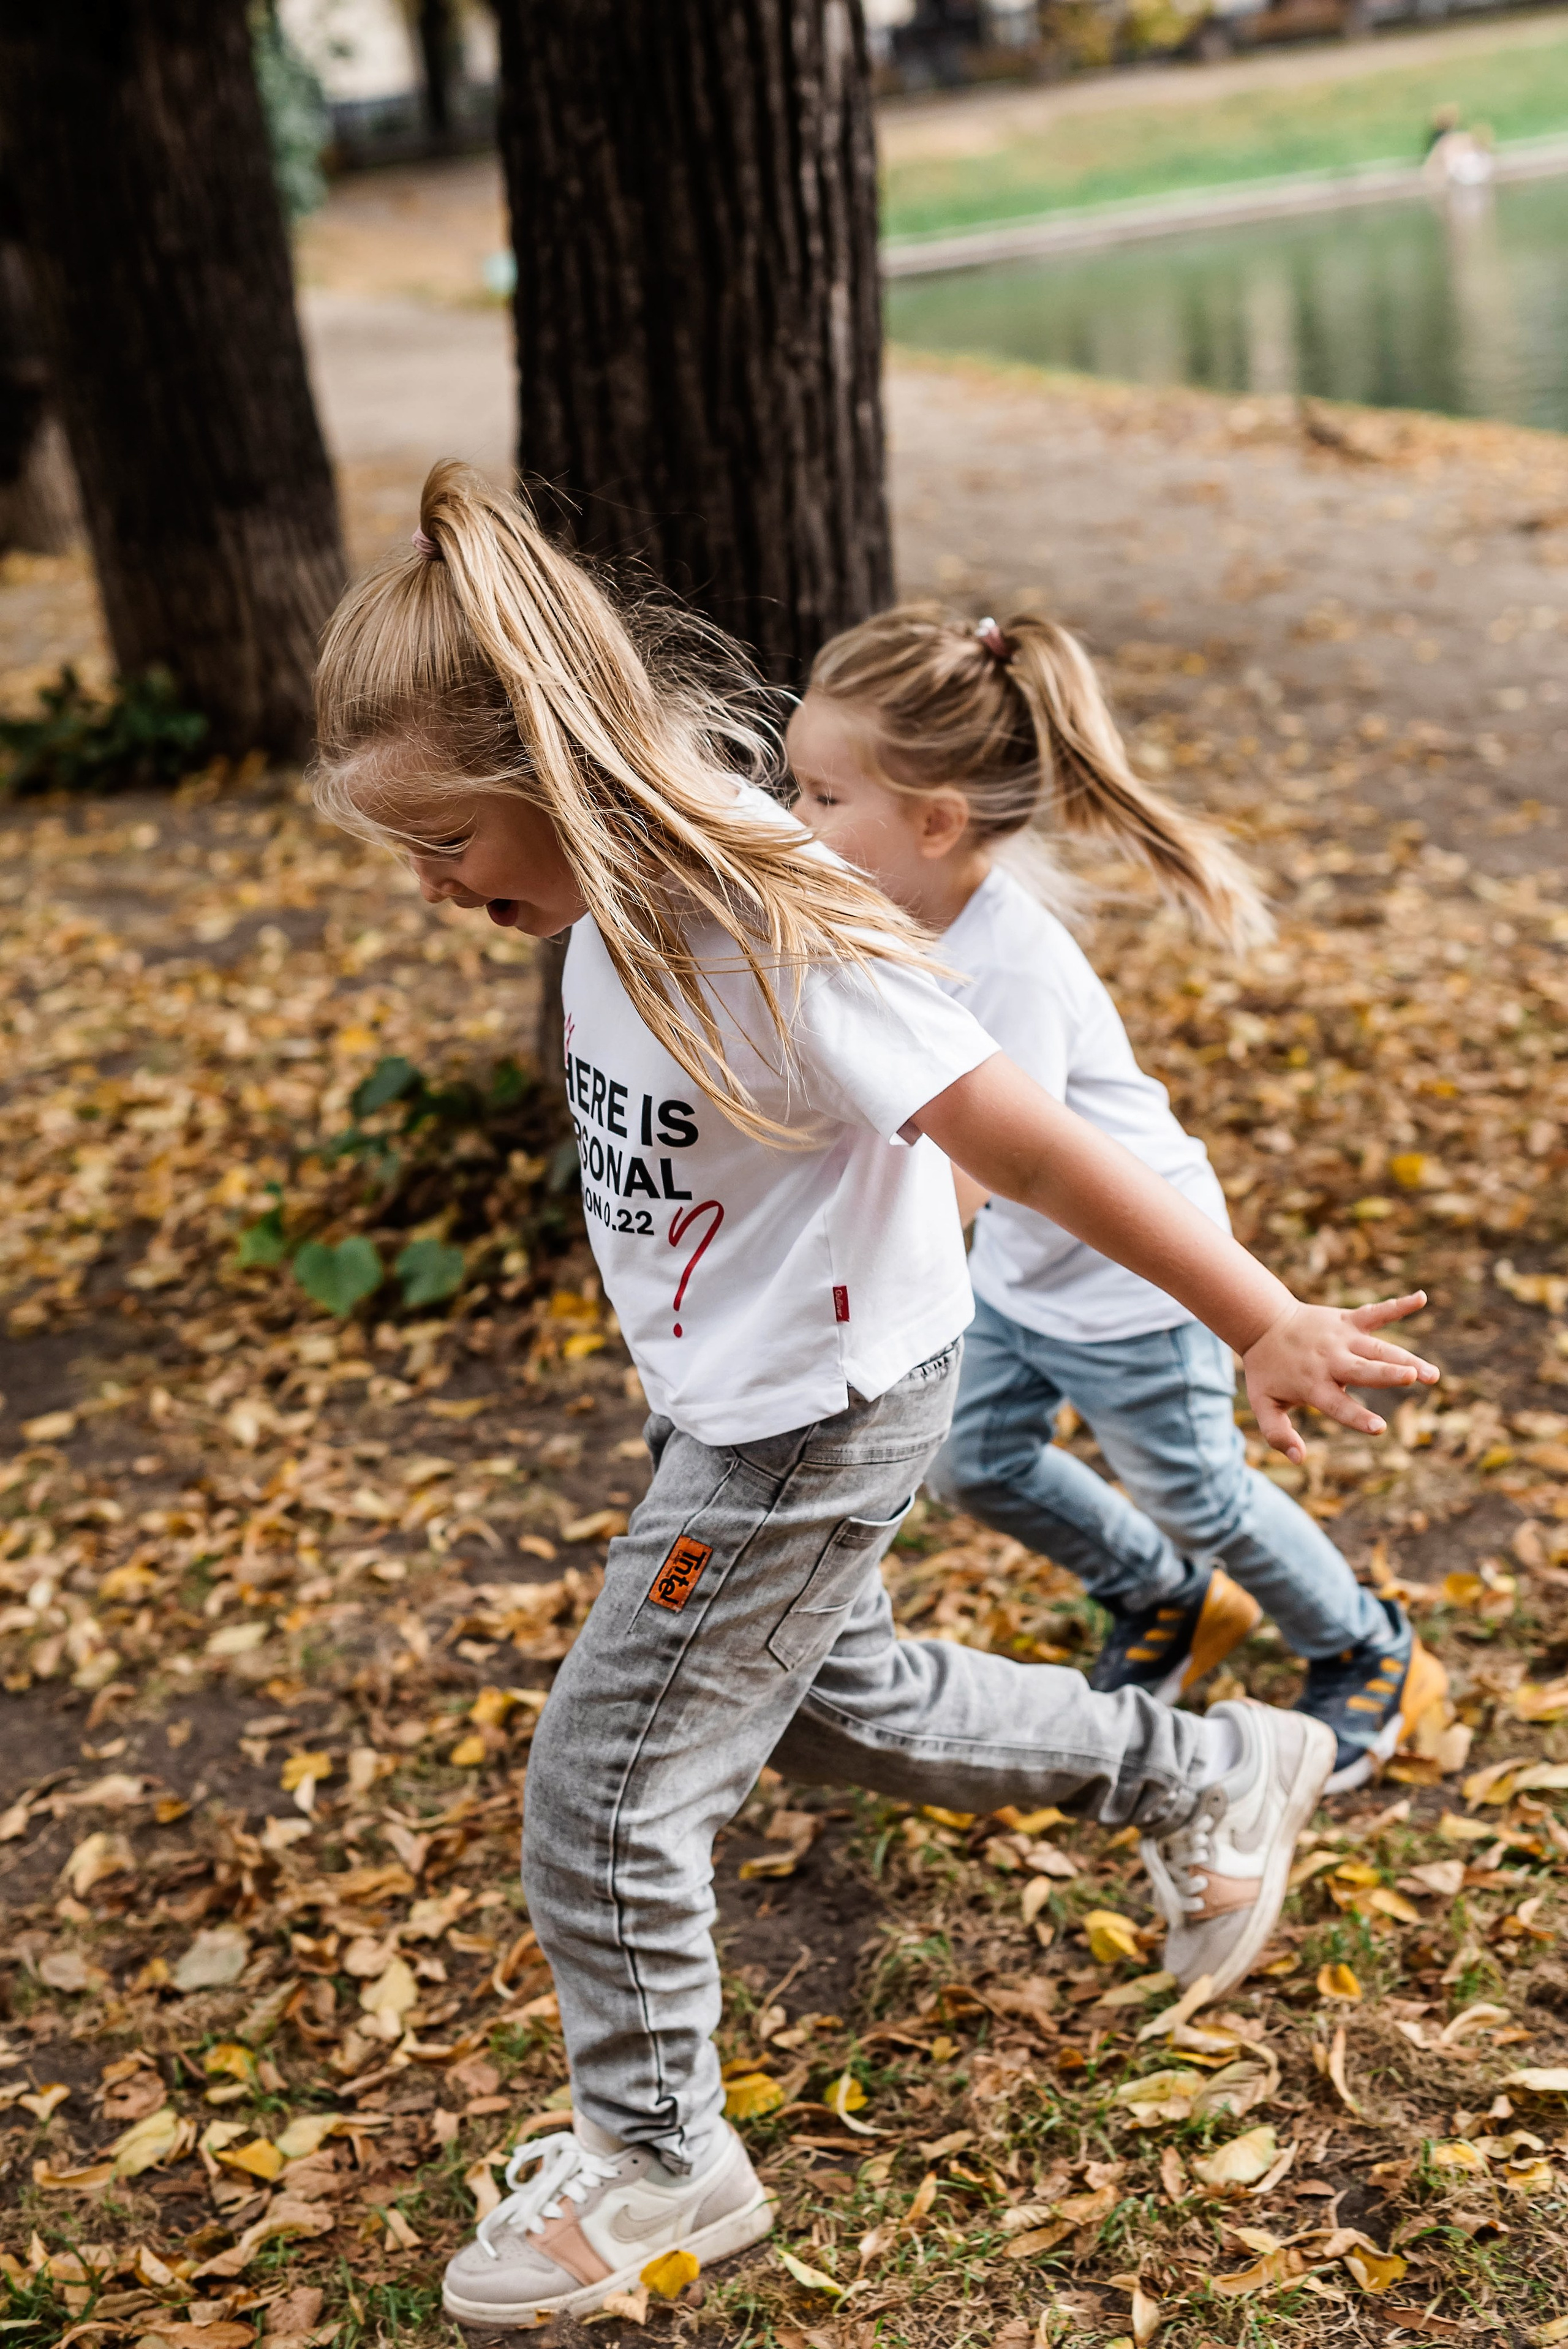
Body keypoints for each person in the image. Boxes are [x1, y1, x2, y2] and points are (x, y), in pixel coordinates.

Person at [311, 465, 1439, 2331]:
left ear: (561, 766)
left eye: (444, 843)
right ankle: (1218, 1768)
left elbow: (1041, 1144)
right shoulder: (621, 897)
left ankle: (665, 2158)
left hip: (803, 1433)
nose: (435, 890)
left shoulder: (779, 926)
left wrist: (1261, 1316)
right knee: (844, 1702)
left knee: (602, 1794)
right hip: (758, 1403)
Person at [788, 602, 1446, 1796]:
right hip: (1019, 1282)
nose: (795, 822)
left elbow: (972, 1181)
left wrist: (820, 1286)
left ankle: (1364, 1647)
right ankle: (1165, 1598)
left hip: (1131, 1283)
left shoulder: (1009, 961)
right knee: (975, 1462)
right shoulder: (888, 918)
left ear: (934, 821)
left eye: (823, 799)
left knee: (1196, 1486)